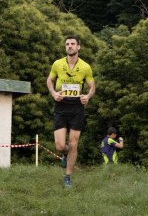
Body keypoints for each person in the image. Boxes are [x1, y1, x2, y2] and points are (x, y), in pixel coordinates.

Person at [47, 35, 95, 188]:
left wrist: (87, 97)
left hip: (76, 107)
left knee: (73, 144)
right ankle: (66, 154)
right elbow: (49, 80)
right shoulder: (57, 64)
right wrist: (54, 94)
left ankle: (67, 176)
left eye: (73, 44)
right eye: (67, 44)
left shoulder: (86, 67)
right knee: (60, 146)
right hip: (61, 105)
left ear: (78, 47)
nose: (70, 46)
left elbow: (92, 86)